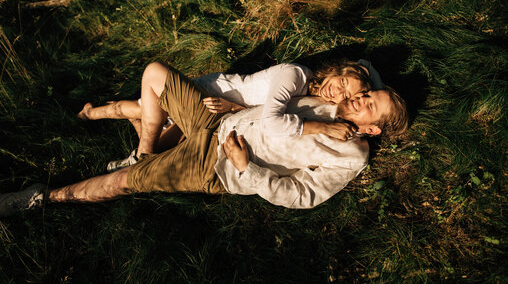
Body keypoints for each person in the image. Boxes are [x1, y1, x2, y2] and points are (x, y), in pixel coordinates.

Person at [0, 61, 407, 217]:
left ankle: (42, 199)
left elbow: (301, 195)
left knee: (122, 185)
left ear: (373, 130)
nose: (360, 97)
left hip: (219, 167)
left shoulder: (351, 156)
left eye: (369, 103)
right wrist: (238, 112)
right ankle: (141, 152)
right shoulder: (325, 100)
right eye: (366, 92)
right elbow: (272, 112)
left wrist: (248, 169)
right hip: (219, 123)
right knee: (156, 73)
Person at [77, 60, 383, 171]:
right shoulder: (295, 75)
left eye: (346, 95)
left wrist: (236, 110)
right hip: (210, 95)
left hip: (223, 114)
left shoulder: (309, 99)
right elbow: (270, 115)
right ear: (335, 72)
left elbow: (259, 114)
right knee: (144, 107)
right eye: (341, 82)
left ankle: (140, 147)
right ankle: (91, 114)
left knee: (158, 140)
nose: (337, 93)